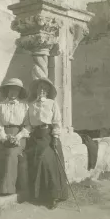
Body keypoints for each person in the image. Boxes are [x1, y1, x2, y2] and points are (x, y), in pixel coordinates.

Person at [25, 77, 68, 209]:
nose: (42, 90)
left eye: (45, 88)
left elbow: (56, 122)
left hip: (48, 137)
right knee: (34, 160)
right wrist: (21, 136)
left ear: (48, 91)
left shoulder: (52, 104)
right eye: (40, 88)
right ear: (36, 90)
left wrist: (55, 138)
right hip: (35, 138)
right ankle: (39, 195)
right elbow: (28, 125)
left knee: (46, 160)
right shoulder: (30, 105)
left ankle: (53, 196)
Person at [0, 78, 29, 201]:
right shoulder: (0, 105)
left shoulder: (24, 106)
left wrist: (18, 137)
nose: (13, 92)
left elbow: (28, 125)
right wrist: (4, 138)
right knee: (0, 151)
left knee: (11, 153)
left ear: (20, 92)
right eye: (11, 89)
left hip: (19, 136)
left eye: (16, 90)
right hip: (4, 134)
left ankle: (7, 189)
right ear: (7, 90)